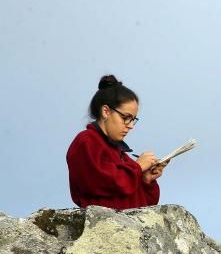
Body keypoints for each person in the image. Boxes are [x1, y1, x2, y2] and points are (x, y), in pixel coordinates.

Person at [66, 75, 166, 210]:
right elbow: (100, 182)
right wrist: (138, 168)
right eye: (126, 118)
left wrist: (146, 181)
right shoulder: (86, 141)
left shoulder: (123, 156)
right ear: (106, 111)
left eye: (133, 119)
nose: (131, 125)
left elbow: (145, 207)